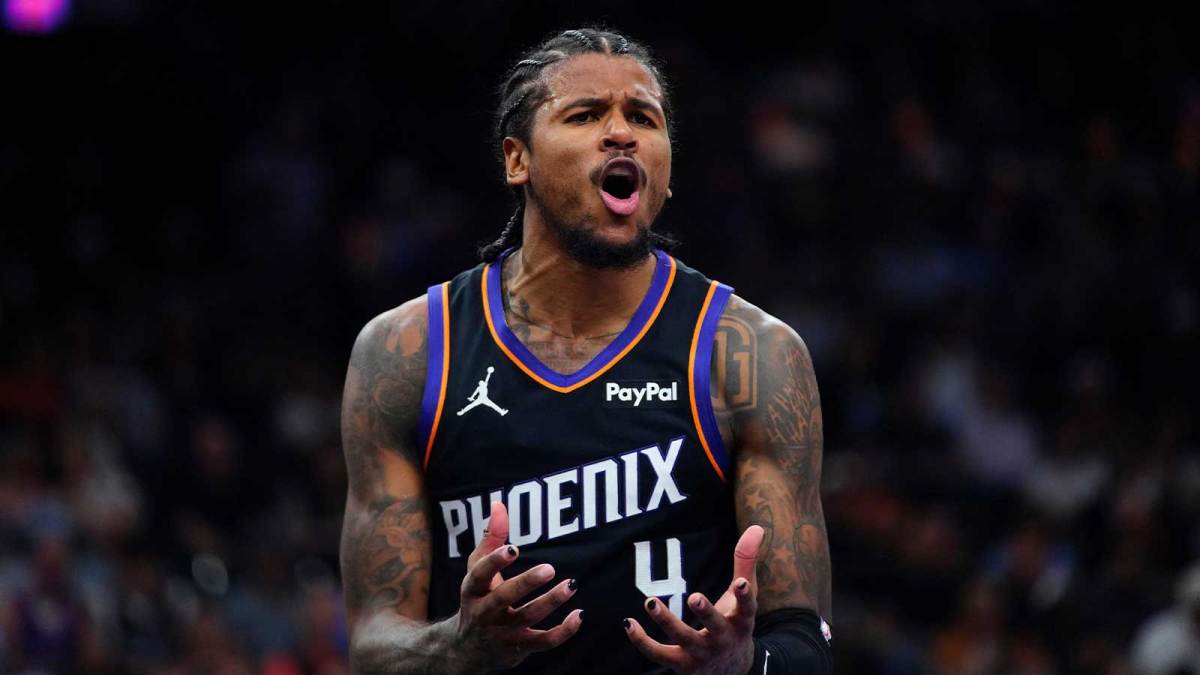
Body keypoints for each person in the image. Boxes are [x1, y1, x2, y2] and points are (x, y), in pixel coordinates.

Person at [338, 27, 833, 674]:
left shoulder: (746, 355)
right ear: (517, 160)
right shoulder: (407, 353)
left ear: (666, 168)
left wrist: (743, 664)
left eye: (643, 117)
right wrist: (456, 646)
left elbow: (806, 644)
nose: (622, 132)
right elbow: (374, 644)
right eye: (586, 114)